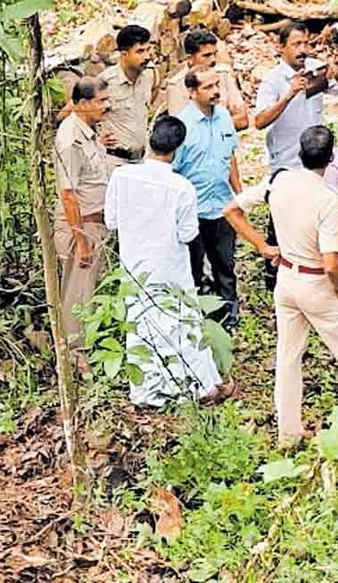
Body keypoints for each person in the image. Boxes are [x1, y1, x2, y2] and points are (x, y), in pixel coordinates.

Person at [222, 126, 338, 446]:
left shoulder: (278, 181)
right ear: (331, 158)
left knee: (288, 358)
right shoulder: (326, 198)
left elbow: (232, 210)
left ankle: (288, 434)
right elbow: (331, 261)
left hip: (287, 281)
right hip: (315, 283)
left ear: (300, 153)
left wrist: (262, 247)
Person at [105, 116, 224, 406]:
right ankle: (199, 387)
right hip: (170, 266)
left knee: (140, 324)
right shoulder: (181, 187)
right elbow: (188, 234)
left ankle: (145, 391)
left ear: (150, 139)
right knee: (180, 323)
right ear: (177, 150)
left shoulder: (121, 177)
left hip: (135, 266)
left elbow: (111, 221)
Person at [254, 22, 338, 289]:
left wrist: (337, 74)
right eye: (296, 45)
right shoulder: (273, 80)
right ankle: (274, 278)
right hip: (286, 163)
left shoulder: (315, 69)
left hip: (314, 162)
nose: (303, 50)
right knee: (280, 219)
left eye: (306, 44)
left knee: (314, 216)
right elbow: (259, 120)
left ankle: (313, 270)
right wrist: (289, 94)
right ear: (282, 47)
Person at [173, 67, 242, 329]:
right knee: (193, 268)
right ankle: (197, 319)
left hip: (223, 206)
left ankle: (229, 316)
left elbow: (231, 158)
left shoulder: (224, 117)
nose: (215, 91)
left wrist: (240, 196)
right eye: (208, 87)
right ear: (192, 92)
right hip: (194, 211)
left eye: (217, 85)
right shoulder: (183, 126)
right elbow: (174, 170)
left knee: (225, 263)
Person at [53, 76, 112, 348]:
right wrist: (80, 241)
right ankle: (77, 354)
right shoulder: (70, 140)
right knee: (78, 295)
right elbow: (68, 194)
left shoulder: (89, 130)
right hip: (82, 226)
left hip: (95, 223)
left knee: (89, 291)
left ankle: (88, 347)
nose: (107, 105)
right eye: (102, 101)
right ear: (83, 103)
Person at [98, 24, 159, 165]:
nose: (147, 56)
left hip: (141, 160)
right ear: (124, 54)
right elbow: (79, 112)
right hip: (114, 161)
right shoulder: (105, 81)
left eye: (148, 50)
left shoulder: (149, 77)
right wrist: (95, 141)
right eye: (140, 51)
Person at [166, 30, 249, 130]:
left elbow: (242, 120)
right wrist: (225, 123)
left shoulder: (223, 75)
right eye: (207, 55)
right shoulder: (176, 86)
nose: (213, 60)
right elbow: (181, 131)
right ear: (190, 58)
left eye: (214, 54)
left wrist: (204, 128)